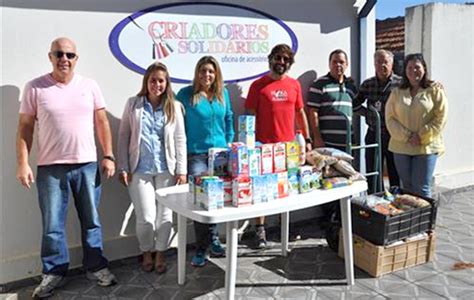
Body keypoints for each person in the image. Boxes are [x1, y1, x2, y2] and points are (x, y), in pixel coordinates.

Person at [16, 37, 117, 299]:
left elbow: (102, 122)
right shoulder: (35, 88)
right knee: (52, 225)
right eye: (59, 54)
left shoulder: (90, 86)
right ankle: (53, 273)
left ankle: (96, 266)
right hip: (50, 168)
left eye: (69, 55)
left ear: (76, 58)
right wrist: (23, 163)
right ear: (50, 56)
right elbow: (25, 127)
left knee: (92, 221)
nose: (64, 59)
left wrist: (108, 155)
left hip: (87, 165)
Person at [117, 62, 187, 273]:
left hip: (167, 169)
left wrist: (182, 170)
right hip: (140, 169)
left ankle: (161, 253)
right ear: (146, 82)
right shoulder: (133, 104)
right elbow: (123, 136)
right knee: (146, 217)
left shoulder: (173, 106)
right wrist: (123, 166)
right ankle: (146, 251)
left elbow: (180, 139)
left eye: (161, 80)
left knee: (165, 217)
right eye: (153, 80)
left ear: (167, 83)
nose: (157, 84)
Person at [245, 44, 311, 249]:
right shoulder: (258, 85)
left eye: (285, 59)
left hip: (288, 148)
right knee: (260, 191)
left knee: (286, 189)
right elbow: (249, 116)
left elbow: (300, 113)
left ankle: (285, 228)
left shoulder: (294, 85)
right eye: (278, 58)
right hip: (263, 147)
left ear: (289, 63)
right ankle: (260, 231)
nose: (281, 62)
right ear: (270, 59)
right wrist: (249, 145)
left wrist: (307, 140)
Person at [176, 56, 234, 267]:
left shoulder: (222, 94)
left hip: (220, 156)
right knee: (202, 201)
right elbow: (176, 123)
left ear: (216, 73)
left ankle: (214, 240)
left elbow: (228, 117)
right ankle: (202, 247)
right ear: (197, 73)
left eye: (210, 71)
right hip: (197, 156)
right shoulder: (185, 94)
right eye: (203, 71)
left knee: (217, 200)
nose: (206, 75)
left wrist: (229, 141)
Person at [385, 53, 447, 198]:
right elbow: (390, 118)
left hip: (426, 147)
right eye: (410, 67)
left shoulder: (435, 90)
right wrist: (407, 136)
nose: (413, 71)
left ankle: (426, 220)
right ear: (405, 71)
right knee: (407, 187)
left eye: (417, 67)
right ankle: (411, 219)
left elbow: (441, 117)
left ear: (424, 69)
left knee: (422, 188)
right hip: (401, 147)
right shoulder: (396, 92)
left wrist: (421, 135)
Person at [353, 49, 401, 193]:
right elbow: (354, 104)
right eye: (378, 62)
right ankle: (375, 201)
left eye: (385, 62)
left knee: (395, 171)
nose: (382, 66)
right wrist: (368, 113)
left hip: (395, 136)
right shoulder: (368, 84)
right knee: (373, 170)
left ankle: (395, 202)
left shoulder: (401, 83)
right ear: (374, 64)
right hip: (373, 134)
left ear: (392, 64)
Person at [307, 49, 358, 152]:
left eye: (342, 62)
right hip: (327, 143)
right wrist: (317, 138)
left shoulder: (351, 87)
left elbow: (356, 108)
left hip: (348, 143)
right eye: (334, 62)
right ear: (329, 64)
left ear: (347, 65)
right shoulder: (319, 84)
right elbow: (313, 112)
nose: (338, 65)